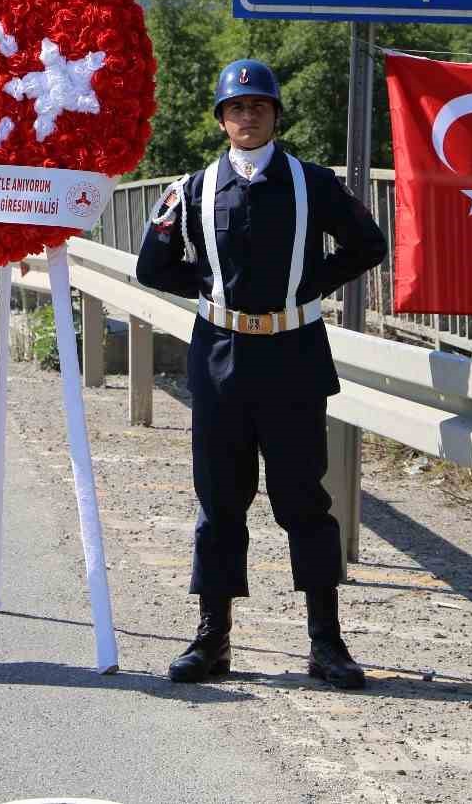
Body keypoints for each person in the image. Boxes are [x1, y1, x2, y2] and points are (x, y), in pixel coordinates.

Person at [135, 58, 387, 689]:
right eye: (235, 108)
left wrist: (310, 287)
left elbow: (367, 245)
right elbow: (152, 264)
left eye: (258, 107)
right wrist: (207, 287)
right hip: (220, 359)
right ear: (221, 119)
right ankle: (211, 639)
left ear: (275, 115)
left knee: (305, 502)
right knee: (220, 503)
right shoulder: (193, 189)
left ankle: (327, 644)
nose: (247, 117)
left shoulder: (313, 183)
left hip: (294, 358)